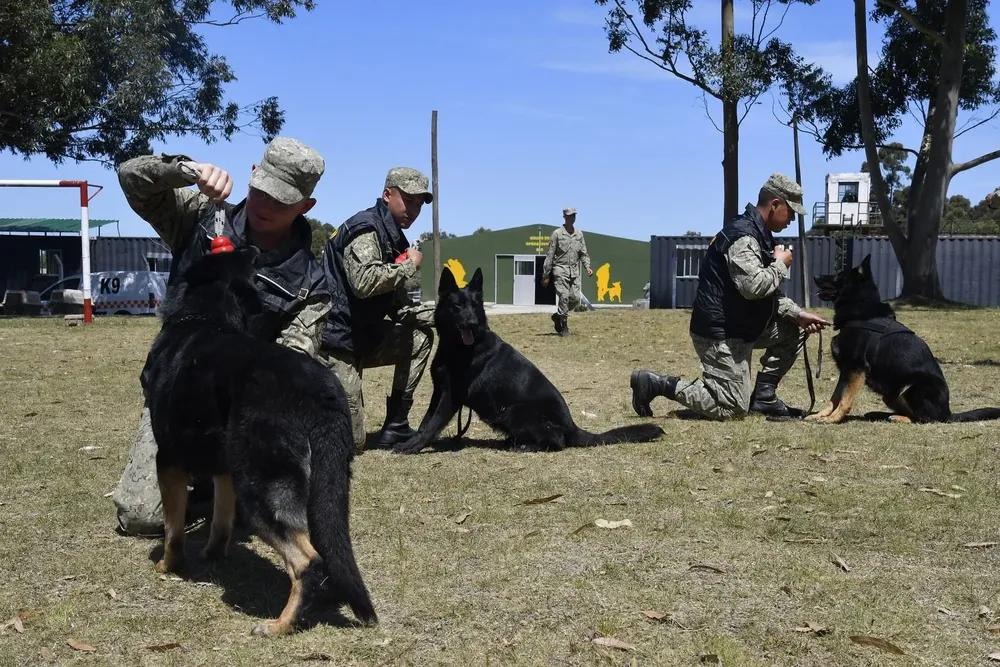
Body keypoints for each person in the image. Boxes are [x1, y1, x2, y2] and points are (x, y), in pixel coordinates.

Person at [111, 137, 330, 536]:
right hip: (178, 396)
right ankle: (207, 485)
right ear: (251, 175)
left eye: (281, 201)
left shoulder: (311, 283)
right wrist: (186, 170)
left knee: (270, 510)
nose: (265, 206)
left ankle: (222, 484)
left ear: (306, 207)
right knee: (142, 516)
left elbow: (293, 358)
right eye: (261, 191)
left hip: (242, 408)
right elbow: (131, 179)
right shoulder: (199, 215)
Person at [630, 173, 830, 421]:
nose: (791, 219)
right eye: (790, 211)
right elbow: (753, 287)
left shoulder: (760, 234)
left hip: (743, 326)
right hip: (721, 333)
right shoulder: (743, 236)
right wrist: (780, 265)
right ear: (776, 204)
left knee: (794, 328)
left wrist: (798, 314)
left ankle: (764, 397)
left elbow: (768, 295)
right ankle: (658, 384)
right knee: (732, 409)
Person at [318, 167, 436, 452]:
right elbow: (363, 282)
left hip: (363, 336)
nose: (414, 208)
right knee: (352, 443)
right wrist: (409, 266)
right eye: (408, 199)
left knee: (419, 339)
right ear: (387, 195)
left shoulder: (393, 238)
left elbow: (398, 307)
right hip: (335, 342)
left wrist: (443, 317)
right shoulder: (367, 228)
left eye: (419, 203)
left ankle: (396, 425)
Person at [542, 207, 592, 336]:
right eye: (570, 216)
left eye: (574, 216)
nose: (572, 218)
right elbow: (550, 255)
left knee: (575, 298)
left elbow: (583, 253)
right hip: (560, 270)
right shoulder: (557, 234)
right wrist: (546, 275)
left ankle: (558, 316)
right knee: (564, 297)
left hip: (574, 271)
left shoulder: (579, 234)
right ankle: (564, 327)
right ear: (565, 217)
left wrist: (587, 267)